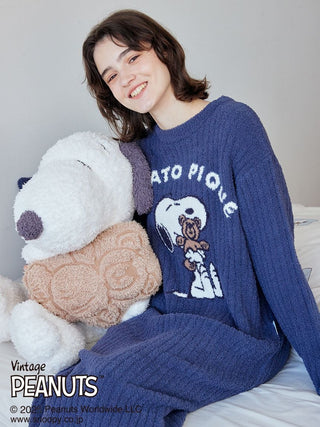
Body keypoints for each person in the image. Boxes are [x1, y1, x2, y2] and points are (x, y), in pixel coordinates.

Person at [30, 9, 320, 427]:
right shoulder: (138, 155)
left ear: (162, 49)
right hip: (162, 321)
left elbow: (277, 261)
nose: (125, 78)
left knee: (107, 389)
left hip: (236, 334)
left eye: (132, 58)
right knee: (62, 390)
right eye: (110, 75)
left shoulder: (234, 125)